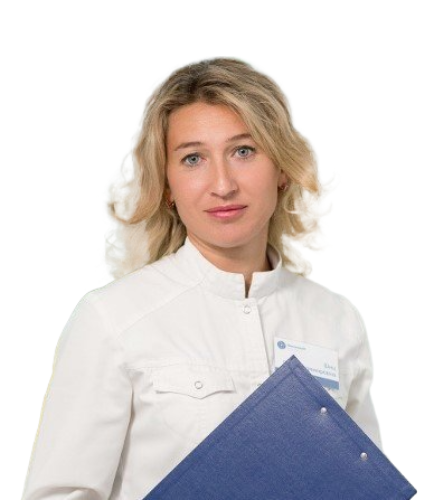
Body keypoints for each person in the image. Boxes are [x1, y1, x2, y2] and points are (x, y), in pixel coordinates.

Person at [21, 57, 381, 500]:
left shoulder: (336, 321)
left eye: (243, 151)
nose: (223, 184)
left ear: (283, 168)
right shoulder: (112, 319)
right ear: (167, 186)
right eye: (193, 159)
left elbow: (363, 486)